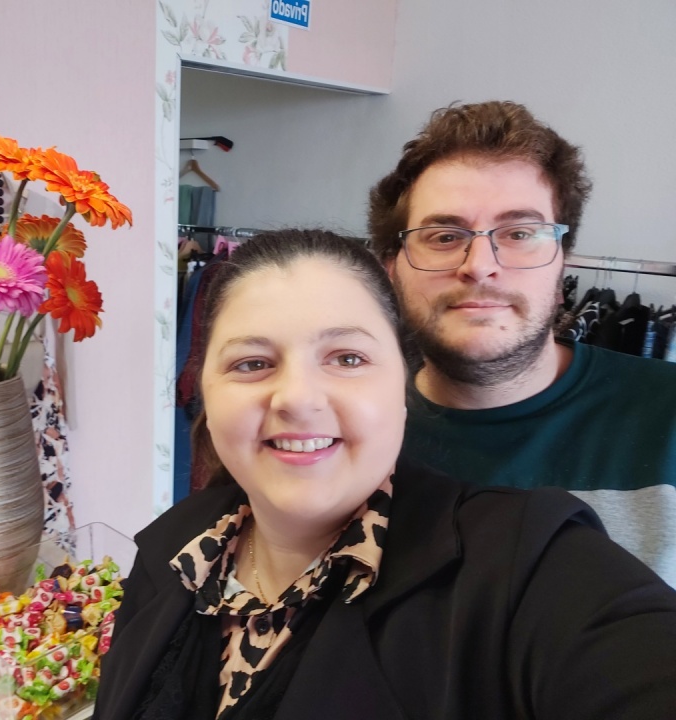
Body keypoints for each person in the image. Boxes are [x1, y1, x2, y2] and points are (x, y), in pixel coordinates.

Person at [93, 229, 676, 720]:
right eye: (252, 363)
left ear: (403, 386)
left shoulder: (526, 568)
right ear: (205, 389)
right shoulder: (176, 549)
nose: (297, 398)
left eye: (347, 358)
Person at [368, 100, 676, 586]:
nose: (479, 265)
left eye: (519, 233)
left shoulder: (667, 417)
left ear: (562, 261)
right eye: (444, 236)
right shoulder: (339, 430)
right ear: (392, 268)